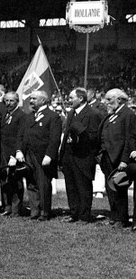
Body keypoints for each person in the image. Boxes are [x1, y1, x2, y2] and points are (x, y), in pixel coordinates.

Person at [16, 90, 62, 221]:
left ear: (43, 100)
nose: (31, 101)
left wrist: (49, 155)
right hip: (28, 155)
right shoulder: (28, 116)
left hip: (42, 156)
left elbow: (54, 139)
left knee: (43, 184)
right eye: (31, 98)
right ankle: (34, 211)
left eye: (34, 99)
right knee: (31, 183)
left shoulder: (53, 117)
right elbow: (20, 135)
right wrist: (19, 151)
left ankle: (44, 212)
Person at [60, 87, 103, 223]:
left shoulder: (93, 114)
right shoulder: (71, 113)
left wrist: (79, 133)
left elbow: (95, 137)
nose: (69, 100)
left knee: (83, 187)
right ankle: (74, 213)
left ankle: (84, 216)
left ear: (81, 98)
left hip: (83, 157)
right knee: (71, 187)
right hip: (69, 156)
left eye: (71, 98)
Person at [98, 88, 136, 228]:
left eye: (109, 99)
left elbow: (129, 139)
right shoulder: (112, 114)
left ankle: (122, 218)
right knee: (111, 188)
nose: (106, 102)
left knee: (120, 188)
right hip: (107, 157)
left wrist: (124, 160)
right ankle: (114, 216)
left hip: (119, 158)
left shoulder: (128, 114)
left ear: (119, 100)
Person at [0, 92, 27, 216]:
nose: (8, 103)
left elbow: (20, 136)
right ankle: (7, 207)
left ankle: (16, 209)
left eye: (11, 101)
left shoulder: (21, 116)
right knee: (5, 180)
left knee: (15, 182)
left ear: (17, 101)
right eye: (6, 101)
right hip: (3, 152)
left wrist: (16, 153)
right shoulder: (5, 114)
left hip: (13, 153)